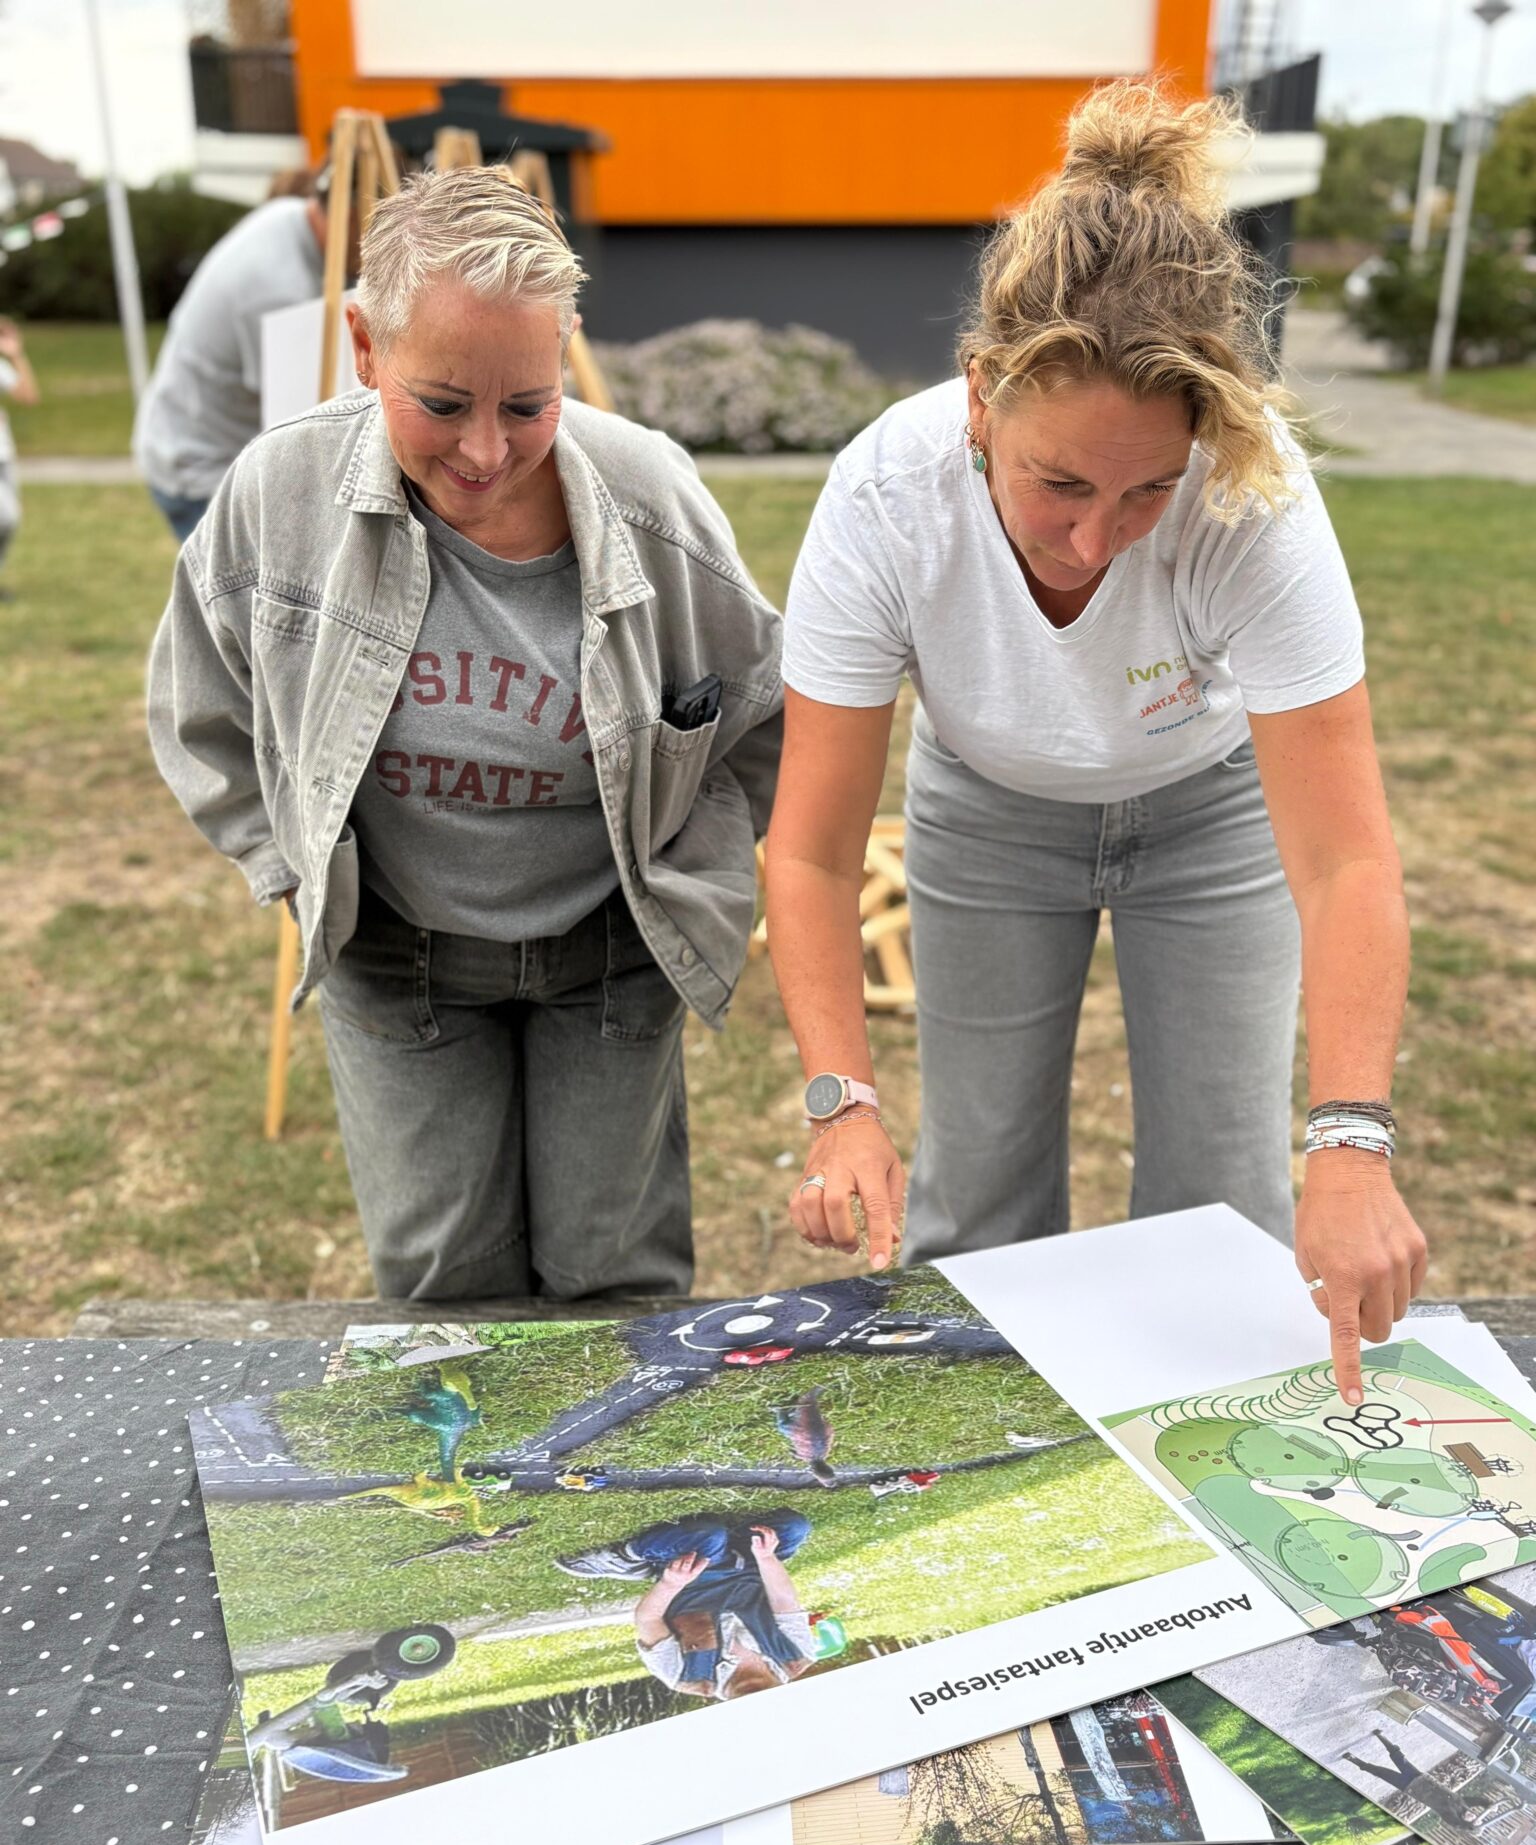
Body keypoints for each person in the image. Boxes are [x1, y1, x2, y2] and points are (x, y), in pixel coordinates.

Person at [765, 81, 1427, 1406]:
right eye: (1058, 482)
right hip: (989, 802)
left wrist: (1353, 1141)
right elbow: (815, 853)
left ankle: (1211, 1489)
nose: (1094, 537)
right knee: (983, 1189)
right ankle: (982, 1470)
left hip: (1209, 804)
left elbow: (1347, 863)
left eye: (1146, 492)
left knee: (1221, 1195)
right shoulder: (887, 499)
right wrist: (841, 1101)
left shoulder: (1256, 500)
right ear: (979, 401)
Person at [147, 166, 783, 1299]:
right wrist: (292, 863)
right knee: (446, 1280)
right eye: (441, 403)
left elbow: (761, 712)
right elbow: (201, 704)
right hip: (397, 955)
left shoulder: (653, 502)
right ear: (363, 346)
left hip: (608, 952)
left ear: (567, 355)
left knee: (612, 1273)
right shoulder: (275, 496)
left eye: (527, 405)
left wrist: (692, 871)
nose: (486, 450)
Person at [133, 187, 336, 541]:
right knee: (257, 592)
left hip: (200, 445)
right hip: (199, 468)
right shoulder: (277, 290)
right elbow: (301, 430)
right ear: (347, 215)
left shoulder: (290, 213)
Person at [557, 1509, 817, 1700]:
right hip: (752, 1565)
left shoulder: (684, 1677)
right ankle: (734, 1540)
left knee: (708, 1534)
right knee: (794, 1526)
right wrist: (766, 1557)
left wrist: (670, 1583)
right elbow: (784, 1600)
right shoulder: (798, 1656)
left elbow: (647, 1620)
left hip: (693, 1574)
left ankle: (628, 1559)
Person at [0, 316, 39, 596]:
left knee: (10, 520)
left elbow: (28, 396)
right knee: (7, 517)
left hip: (4, 453)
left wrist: (16, 355)